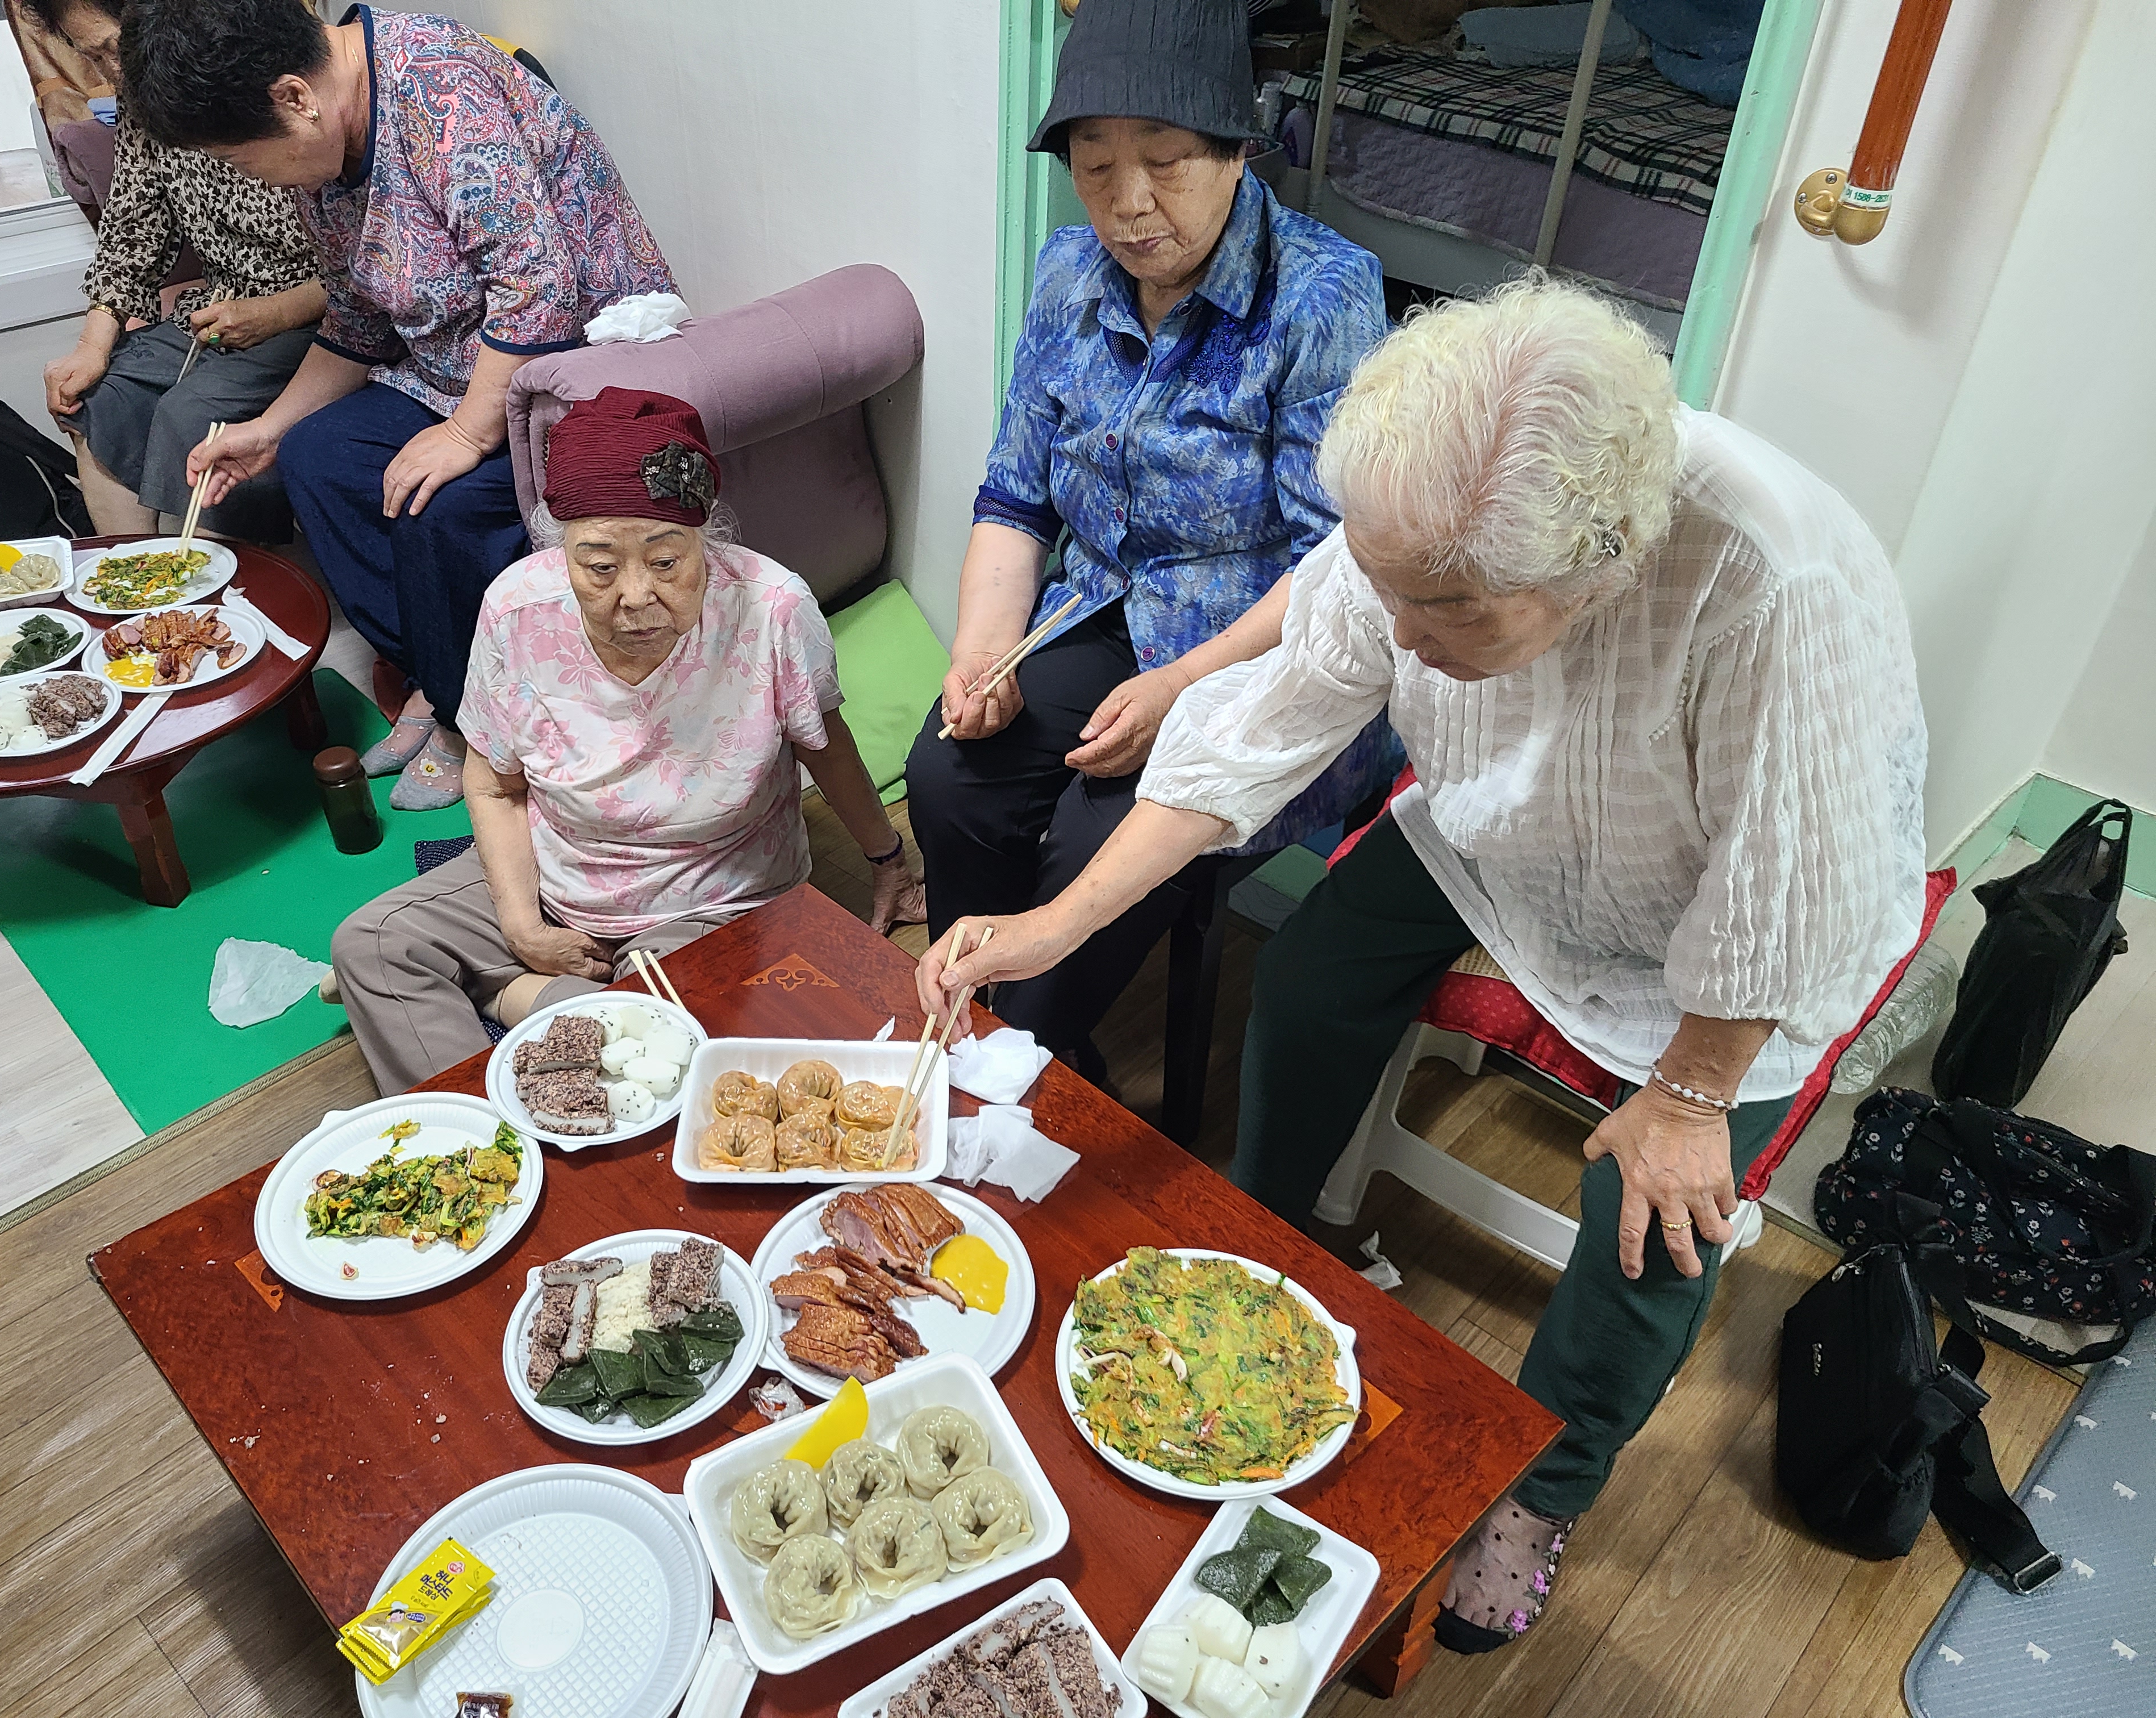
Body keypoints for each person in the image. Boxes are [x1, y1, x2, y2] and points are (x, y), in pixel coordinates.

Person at [918, 280, 1929, 1651]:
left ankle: (1545, 1490)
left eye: (1444, 607)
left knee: (1654, 1217)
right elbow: (1266, 726)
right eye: (1388, 588)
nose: (1401, 634)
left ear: (1599, 567)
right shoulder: (1424, 516)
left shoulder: (1772, 583)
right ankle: (1265, 1248)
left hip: (1728, 931)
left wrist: (1692, 1096)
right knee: (1312, 977)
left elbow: (1790, 885)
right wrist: (1056, 923)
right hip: (1498, 826)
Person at [900, 0, 1394, 1080]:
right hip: (1106, 614)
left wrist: (1180, 684)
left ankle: (1018, 1055)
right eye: (1095, 167)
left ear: (1236, 150)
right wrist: (981, 652)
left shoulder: (1321, 296)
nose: (1128, 204)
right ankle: (992, 1022)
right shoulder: (1068, 273)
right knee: (948, 768)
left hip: (1263, 654)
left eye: (1165, 162)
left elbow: (1339, 564)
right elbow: (1016, 497)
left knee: (1101, 834)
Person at [122, 0, 675, 810]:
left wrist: (465, 434)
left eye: (243, 159)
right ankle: (440, 676)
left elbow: (539, 291)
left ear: (295, 98)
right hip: (454, 370)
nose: (252, 178)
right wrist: (268, 429)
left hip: (575, 368)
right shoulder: (327, 153)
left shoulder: (439, 85)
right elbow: (357, 319)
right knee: (316, 457)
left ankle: (473, 724)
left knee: (437, 505)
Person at [332, 389, 925, 1095]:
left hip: (708, 895)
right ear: (561, 550)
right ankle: (474, 1135)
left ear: (706, 537)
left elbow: (825, 747)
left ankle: (512, 999)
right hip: (559, 868)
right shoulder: (517, 608)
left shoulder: (773, 610)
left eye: (667, 562)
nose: (637, 595)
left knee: (660, 1045)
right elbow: (493, 782)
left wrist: (887, 859)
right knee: (371, 946)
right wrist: (521, 926)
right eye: (600, 567)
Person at [32, 0, 324, 543]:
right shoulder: (140, 94)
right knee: (98, 396)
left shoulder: (271, 79)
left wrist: (277, 311)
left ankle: (211, 593)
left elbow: (366, 267)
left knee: (193, 414)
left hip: (318, 312)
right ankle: (129, 578)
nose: (111, 70)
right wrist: (93, 345)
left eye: (113, 48)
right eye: (91, 56)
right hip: (221, 311)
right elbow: (134, 226)